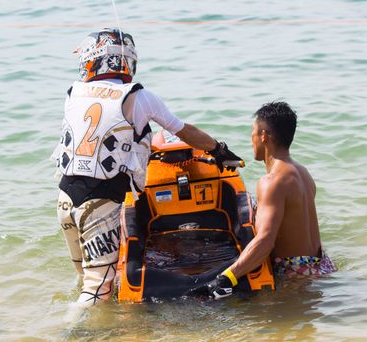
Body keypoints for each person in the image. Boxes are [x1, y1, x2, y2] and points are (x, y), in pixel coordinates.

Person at [52, 28, 242, 310]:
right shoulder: (137, 96)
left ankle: (98, 325)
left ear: (91, 60)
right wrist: (218, 149)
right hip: (99, 203)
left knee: (86, 277)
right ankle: (70, 333)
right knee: (96, 290)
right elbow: (183, 131)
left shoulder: (74, 93)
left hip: (65, 199)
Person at [196, 102, 336, 299]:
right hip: (322, 266)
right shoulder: (303, 172)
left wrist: (227, 277)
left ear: (264, 135)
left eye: (253, 132)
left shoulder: (272, 181)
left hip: (295, 278)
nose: (251, 138)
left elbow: (265, 242)